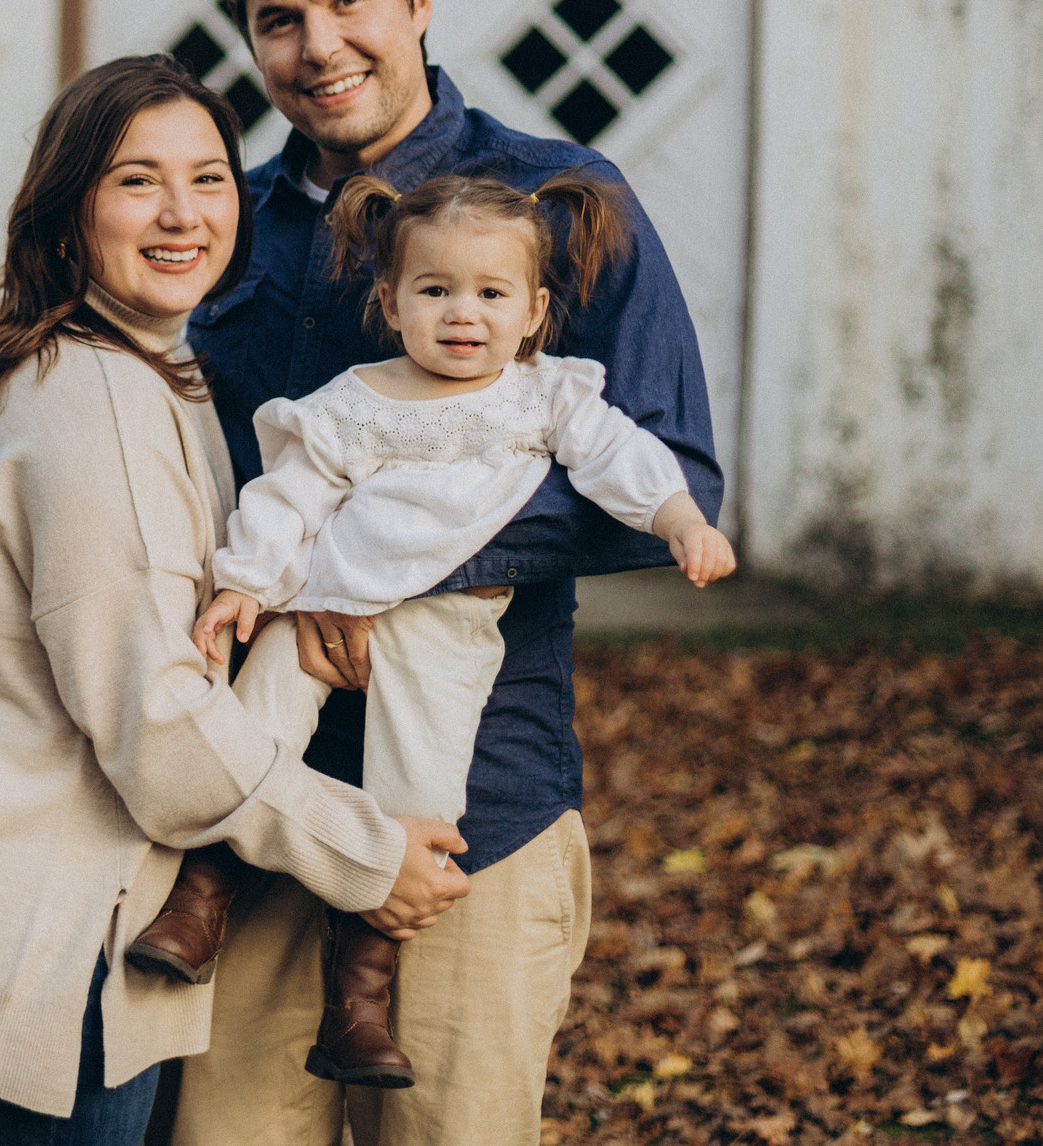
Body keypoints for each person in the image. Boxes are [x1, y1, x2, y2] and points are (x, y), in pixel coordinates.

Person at [166, 0, 724, 1146]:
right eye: (278, 18)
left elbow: (672, 472)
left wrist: (381, 564)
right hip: (264, 802)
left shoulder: (552, 203)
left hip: (481, 804)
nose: (319, 45)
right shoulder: (226, 225)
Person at [0, 55, 473, 1146]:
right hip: (49, 953)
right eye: (137, 181)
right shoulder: (94, 403)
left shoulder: (120, 372)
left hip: (23, 931)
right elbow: (157, 726)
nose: (182, 213)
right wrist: (365, 857)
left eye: (209, 178)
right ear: (67, 208)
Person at [128, 169, 735, 1090]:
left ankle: (358, 999)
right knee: (254, 733)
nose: (464, 313)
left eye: (491, 294)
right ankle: (201, 897)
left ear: (534, 311)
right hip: (318, 607)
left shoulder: (545, 397)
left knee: (422, 792)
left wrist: (679, 517)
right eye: (436, 290)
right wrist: (245, 583)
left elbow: (623, 455)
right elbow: (286, 494)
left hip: (445, 625)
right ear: (389, 300)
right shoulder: (356, 399)